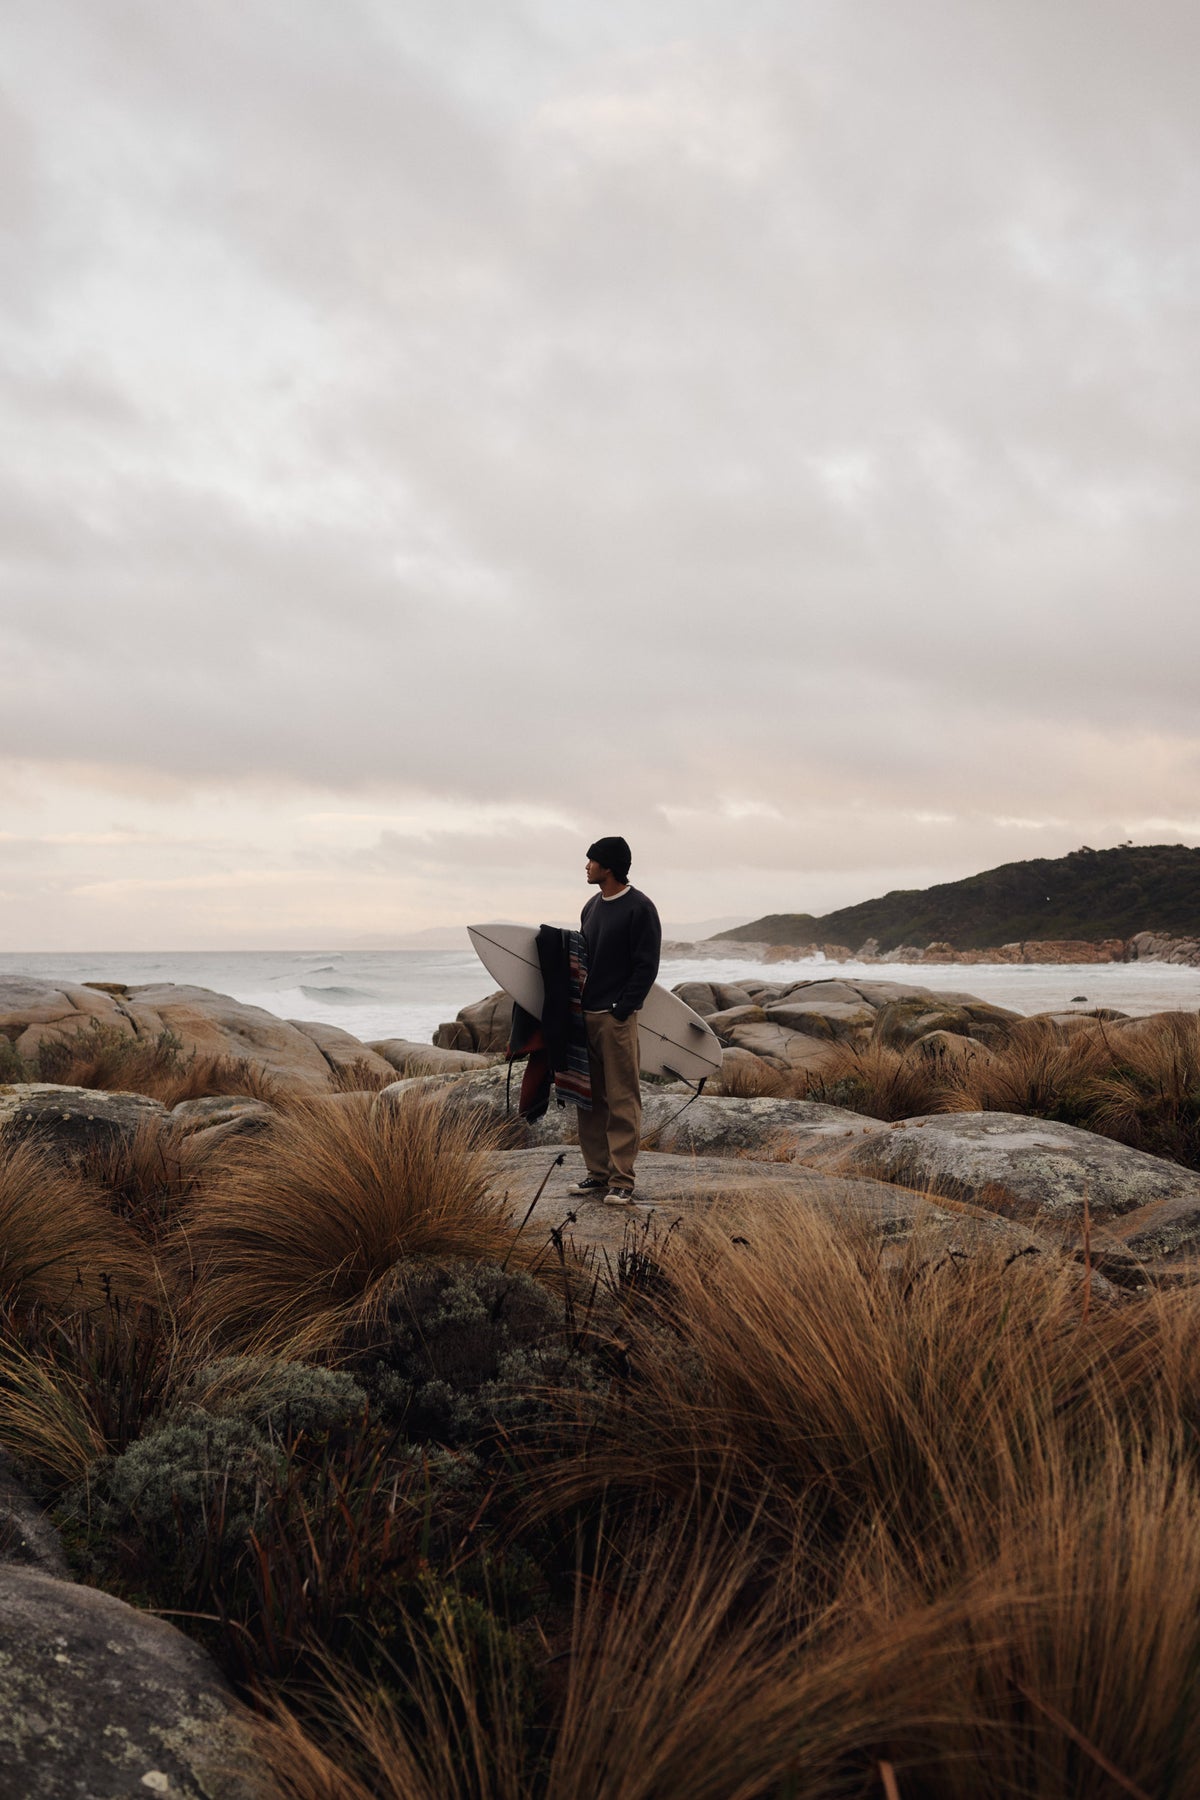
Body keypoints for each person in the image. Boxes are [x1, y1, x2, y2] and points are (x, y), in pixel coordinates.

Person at [570, 836, 661, 1204]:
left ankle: (622, 1179)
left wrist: (623, 1008)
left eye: (592, 861)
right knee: (588, 1100)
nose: (587, 866)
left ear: (608, 867)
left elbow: (646, 966)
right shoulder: (591, 906)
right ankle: (598, 1173)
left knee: (622, 1098)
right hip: (585, 1017)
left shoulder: (640, 908)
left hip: (615, 1019)